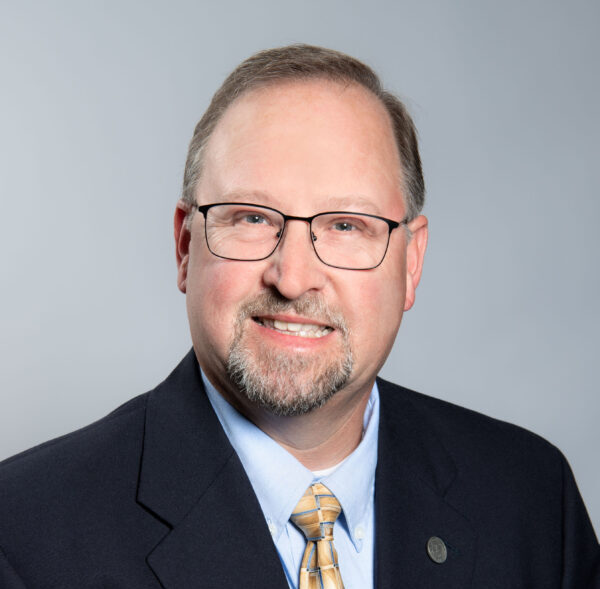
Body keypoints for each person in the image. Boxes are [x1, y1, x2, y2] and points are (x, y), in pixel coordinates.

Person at [0, 44, 598, 589]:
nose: (292, 278)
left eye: (346, 226)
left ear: (411, 263)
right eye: (252, 218)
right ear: (185, 247)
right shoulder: (23, 535)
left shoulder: (532, 498)